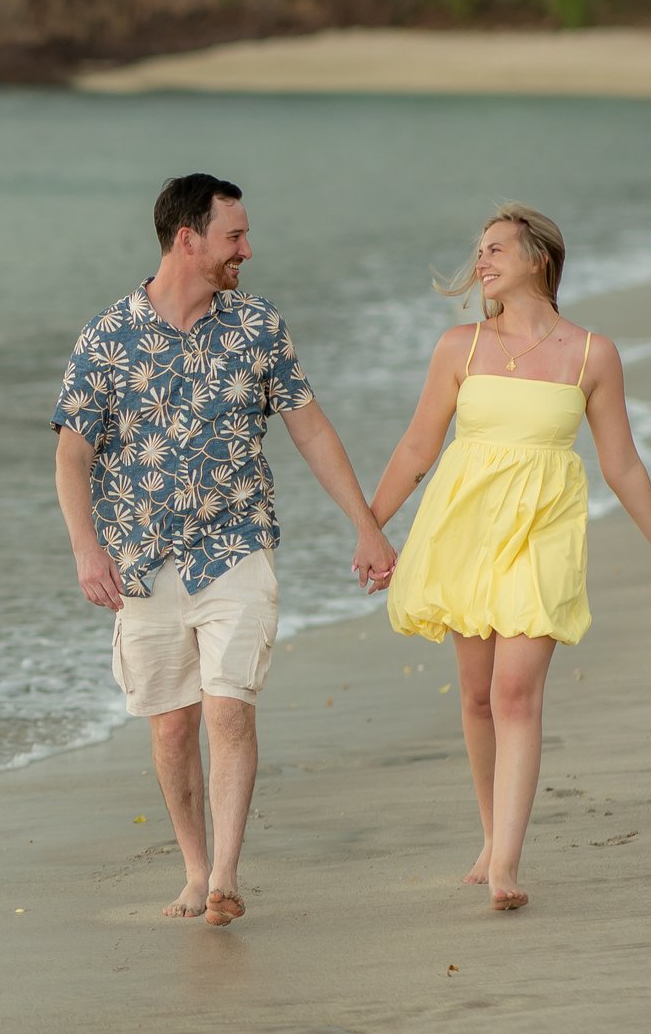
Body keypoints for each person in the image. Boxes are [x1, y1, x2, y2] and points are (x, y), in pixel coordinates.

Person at [55, 174, 396, 927]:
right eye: (235, 236)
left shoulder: (258, 327)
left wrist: (366, 524)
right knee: (171, 723)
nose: (249, 248)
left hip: (236, 546)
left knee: (227, 708)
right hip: (141, 561)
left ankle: (226, 878)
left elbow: (309, 426)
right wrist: (86, 548)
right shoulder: (107, 336)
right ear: (189, 238)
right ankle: (194, 865)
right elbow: (72, 454)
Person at [371, 203, 651, 912]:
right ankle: (491, 834)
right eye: (479, 251)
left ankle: (507, 862)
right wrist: (371, 525)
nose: (481, 262)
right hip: (464, 528)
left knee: (517, 692)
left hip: (544, 530)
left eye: (495, 250)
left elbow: (623, 463)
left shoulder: (591, 354)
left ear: (538, 257)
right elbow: (419, 448)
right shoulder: (460, 345)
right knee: (478, 694)